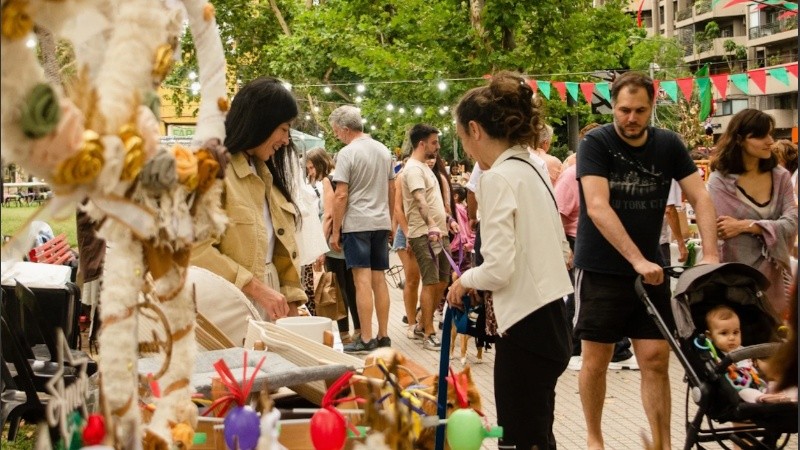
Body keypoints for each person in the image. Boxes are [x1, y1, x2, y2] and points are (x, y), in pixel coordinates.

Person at [574, 71, 719, 450]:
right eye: (624, 110)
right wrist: (637, 259)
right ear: (612, 106)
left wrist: (711, 255)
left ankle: (662, 444)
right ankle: (594, 439)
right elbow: (596, 206)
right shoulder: (596, 143)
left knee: (655, 357)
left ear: (652, 106)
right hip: (602, 267)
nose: (632, 118)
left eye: (640, 110)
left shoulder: (669, 144)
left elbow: (701, 199)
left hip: (651, 269)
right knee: (597, 358)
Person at [447, 71, 573, 449]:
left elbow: (499, 268)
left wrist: (463, 281)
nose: (465, 148)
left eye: (462, 137)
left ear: (474, 129)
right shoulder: (533, 166)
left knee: (520, 439)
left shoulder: (497, 178)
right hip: (552, 320)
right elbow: (563, 250)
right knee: (537, 434)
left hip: (526, 328)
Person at [192, 77, 306, 320]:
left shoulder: (266, 175)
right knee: (238, 360)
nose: (286, 140)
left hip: (271, 300)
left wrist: (292, 304)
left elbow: (281, 252)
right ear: (261, 121)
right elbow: (195, 249)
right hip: (227, 304)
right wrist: (255, 287)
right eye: (284, 129)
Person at [555, 123, 638, 372]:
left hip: (604, 240)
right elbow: (556, 211)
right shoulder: (573, 175)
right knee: (580, 298)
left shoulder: (611, 170)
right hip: (578, 240)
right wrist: (564, 247)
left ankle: (607, 347)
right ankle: (578, 347)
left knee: (597, 297)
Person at [707, 109, 797, 321]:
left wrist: (748, 226)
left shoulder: (781, 176)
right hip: (735, 279)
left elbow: (793, 221)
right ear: (739, 139)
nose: (770, 141)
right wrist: (773, 226)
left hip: (775, 279)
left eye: (770, 134)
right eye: (760, 135)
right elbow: (723, 230)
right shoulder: (720, 181)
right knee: (742, 345)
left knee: (774, 345)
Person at [328, 105, 395, 353]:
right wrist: (389, 221)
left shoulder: (347, 153)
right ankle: (384, 335)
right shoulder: (383, 150)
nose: (336, 136)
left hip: (357, 223)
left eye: (336, 131)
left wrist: (335, 231)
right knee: (379, 279)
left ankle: (365, 338)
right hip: (380, 221)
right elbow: (392, 188)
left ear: (346, 129)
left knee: (362, 281)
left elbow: (341, 195)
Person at [403, 124, 458, 351]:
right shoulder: (413, 169)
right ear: (422, 143)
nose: (437, 146)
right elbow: (419, 200)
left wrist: (448, 219)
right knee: (431, 280)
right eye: (434, 142)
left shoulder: (425, 169)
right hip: (425, 234)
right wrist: (432, 224)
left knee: (443, 281)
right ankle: (429, 331)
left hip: (439, 232)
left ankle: (421, 322)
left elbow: (434, 202)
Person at [306, 148, 360, 344]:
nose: (311, 172)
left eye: (311, 167)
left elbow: (328, 214)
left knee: (338, 289)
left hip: (333, 241)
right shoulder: (341, 177)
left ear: (320, 163)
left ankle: (344, 333)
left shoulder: (328, 180)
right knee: (352, 287)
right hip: (348, 238)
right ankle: (360, 330)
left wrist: (320, 246)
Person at [704, 305, 796, 404]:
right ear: (710, 336)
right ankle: (763, 399)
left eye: (735, 332)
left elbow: (759, 364)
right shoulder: (714, 355)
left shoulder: (745, 351)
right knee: (745, 392)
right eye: (724, 333)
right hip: (739, 388)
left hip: (759, 383)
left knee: (779, 384)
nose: (731, 337)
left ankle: (789, 397)